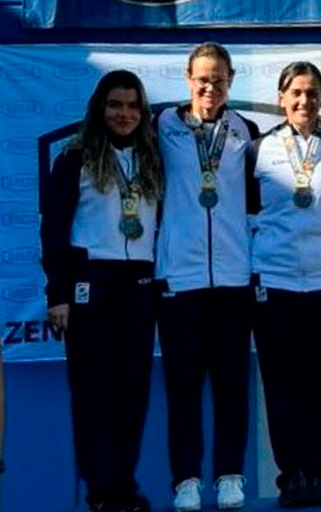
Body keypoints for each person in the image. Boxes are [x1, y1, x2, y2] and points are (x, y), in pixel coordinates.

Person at [41, 70, 162, 512]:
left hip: (140, 282)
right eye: (115, 105)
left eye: (132, 106)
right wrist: (59, 294)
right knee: (94, 392)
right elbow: (53, 229)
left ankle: (124, 484)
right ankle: (101, 490)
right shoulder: (75, 158)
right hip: (91, 281)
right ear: (99, 108)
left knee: (132, 391)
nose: (124, 114)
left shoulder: (153, 158)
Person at [155, 42, 259, 511]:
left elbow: (258, 204)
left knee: (232, 386)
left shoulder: (246, 131)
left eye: (218, 79)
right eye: (202, 78)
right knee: (183, 387)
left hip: (234, 280)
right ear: (187, 78)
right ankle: (186, 480)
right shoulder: (162, 128)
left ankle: (230, 474)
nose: (210, 87)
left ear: (231, 80)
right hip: (180, 280)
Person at [248, 61, 321, 507]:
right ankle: (291, 473)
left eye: (312, 93)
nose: (304, 101)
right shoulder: (258, 149)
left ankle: (320, 470)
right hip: (275, 280)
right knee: (283, 382)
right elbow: (243, 214)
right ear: (281, 98)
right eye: (295, 93)